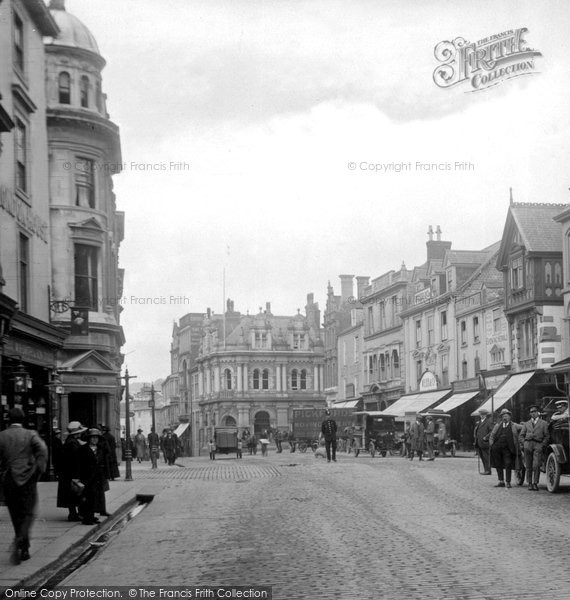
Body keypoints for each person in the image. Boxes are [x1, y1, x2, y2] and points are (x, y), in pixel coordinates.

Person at [0, 407, 47, 564]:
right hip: (27, 478)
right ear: (23, 419)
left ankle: (22, 542)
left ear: (8, 419)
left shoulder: (2, 436)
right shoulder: (30, 434)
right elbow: (42, 450)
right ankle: (23, 542)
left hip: (9, 478)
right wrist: (38, 471)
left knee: (15, 513)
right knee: (28, 512)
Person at [57, 421, 87, 522]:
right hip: (71, 473)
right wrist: (77, 474)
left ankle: (74, 513)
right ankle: (73, 514)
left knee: (72, 494)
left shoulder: (70, 441)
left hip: (67, 473)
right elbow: (76, 460)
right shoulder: (73, 443)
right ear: (77, 433)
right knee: (74, 493)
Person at [79, 428, 110, 524]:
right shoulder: (83, 449)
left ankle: (92, 516)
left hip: (98, 476)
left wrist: (106, 474)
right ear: (89, 439)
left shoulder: (100, 449)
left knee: (95, 497)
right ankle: (86, 518)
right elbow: (79, 464)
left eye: (96, 438)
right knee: (87, 497)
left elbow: (105, 462)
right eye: (92, 438)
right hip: (87, 476)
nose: (95, 440)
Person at [519, 405, 549, 491]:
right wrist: (524, 443)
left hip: (538, 445)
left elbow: (547, 436)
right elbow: (521, 436)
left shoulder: (543, 423)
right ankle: (529, 483)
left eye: (534, 411)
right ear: (530, 414)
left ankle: (535, 483)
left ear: (538, 413)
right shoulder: (526, 424)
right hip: (528, 445)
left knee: (536, 465)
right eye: (531, 412)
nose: (533, 413)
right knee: (528, 466)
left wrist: (542, 445)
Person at [489, 408, 521, 488]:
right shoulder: (497, 426)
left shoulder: (514, 425)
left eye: (506, 416)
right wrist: (492, 445)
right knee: (498, 464)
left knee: (508, 464)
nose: (504, 417)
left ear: (509, 417)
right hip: (497, 449)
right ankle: (501, 481)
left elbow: (524, 428)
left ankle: (508, 482)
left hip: (508, 449)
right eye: (503, 416)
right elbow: (492, 436)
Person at [474, 408, 493, 475]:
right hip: (479, 442)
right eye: (481, 414)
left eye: (483, 414)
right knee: (482, 457)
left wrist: (486, 437)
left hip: (485, 443)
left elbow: (492, 431)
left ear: (486, 415)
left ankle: (488, 470)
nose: (482, 415)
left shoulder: (488, 422)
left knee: (486, 457)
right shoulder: (479, 422)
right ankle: (486, 470)